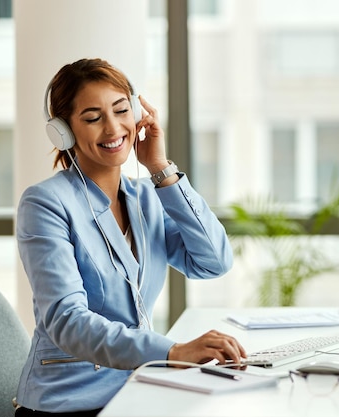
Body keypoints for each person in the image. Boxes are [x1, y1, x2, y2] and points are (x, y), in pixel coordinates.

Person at [14, 58, 246, 416]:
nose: (112, 128)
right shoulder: (46, 203)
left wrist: (161, 169)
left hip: (136, 392)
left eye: (121, 110)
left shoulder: (147, 199)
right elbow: (67, 320)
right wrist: (172, 352)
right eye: (92, 118)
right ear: (64, 131)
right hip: (70, 402)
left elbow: (213, 262)